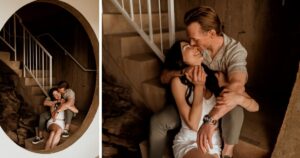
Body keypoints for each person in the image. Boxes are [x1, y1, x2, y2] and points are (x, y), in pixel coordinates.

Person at [150, 6, 249, 158]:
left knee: (236, 108)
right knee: (159, 120)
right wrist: (183, 72)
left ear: (211, 34)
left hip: (214, 106)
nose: (191, 43)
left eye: (194, 39)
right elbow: (164, 77)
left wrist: (210, 121)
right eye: (189, 40)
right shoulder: (196, 50)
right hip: (191, 108)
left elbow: (237, 87)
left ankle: (228, 152)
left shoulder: (234, 52)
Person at [165, 40, 258, 158]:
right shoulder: (178, 83)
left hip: (213, 144)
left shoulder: (216, 78)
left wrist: (238, 98)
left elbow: (255, 106)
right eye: (186, 47)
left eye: (193, 45)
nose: (195, 48)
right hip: (189, 142)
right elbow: (193, 125)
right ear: (180, 59)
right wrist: (198, 86)